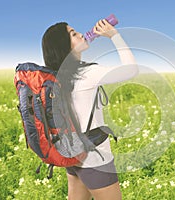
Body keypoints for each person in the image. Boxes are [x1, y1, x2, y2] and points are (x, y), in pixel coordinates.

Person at [41, 18, 138, 200]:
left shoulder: (57, 77)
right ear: (64, 46)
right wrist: (114, 36)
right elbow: (131, 69)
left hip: (72, 151)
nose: (80, 34)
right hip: (96, 157)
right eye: (73, 34)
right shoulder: (87, 74)